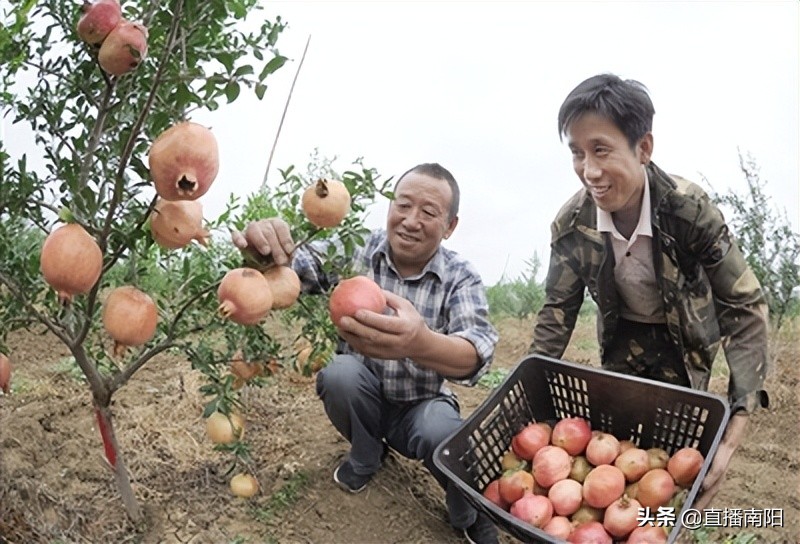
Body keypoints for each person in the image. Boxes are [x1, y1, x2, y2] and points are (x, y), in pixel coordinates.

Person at [530, 73, 770, 511]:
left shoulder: (689, 212)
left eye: (601, 150)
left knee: (674, 461)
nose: (590, 170)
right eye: (577, 154)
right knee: (615, 450)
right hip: (623, 335)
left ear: (643, 148)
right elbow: (555, 315)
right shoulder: (572, 227)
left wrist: (734, 432)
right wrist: (527, 400)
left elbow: (744, 307)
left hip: (686, 341)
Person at [233, 163, 501, 544]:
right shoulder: (355, 248)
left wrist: (418, 343)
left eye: (428, 212)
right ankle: (366, 454)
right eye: (403, 205)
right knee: (339, 373)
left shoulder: (461, 276)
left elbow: (477, 354)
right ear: (390, 206)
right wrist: (268, 249)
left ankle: (467, 511)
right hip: (363, 395)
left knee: (442, 431)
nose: (411, 220)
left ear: (450, 226)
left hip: (422, 406)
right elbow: (297, 265)